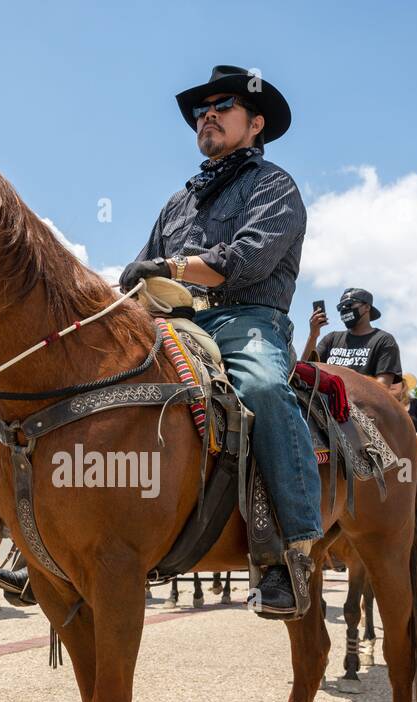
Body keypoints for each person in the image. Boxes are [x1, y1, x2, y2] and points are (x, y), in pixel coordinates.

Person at [114, 64, 317, 616]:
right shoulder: (176, 204)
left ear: (255, 124)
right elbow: (143, 269)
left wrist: (172, 267)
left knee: (266, 388)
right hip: (169, 321)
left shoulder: (274, 185)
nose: (206, 115)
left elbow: (248, 259)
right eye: (201, 110)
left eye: (221, 106)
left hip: (246, 319)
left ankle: (289, 552)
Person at [303, 288, 402, 387]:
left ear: (367, 307)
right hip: (325, 401)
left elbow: (382, 388)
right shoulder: (331, 339)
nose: (345, 309)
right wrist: (313, 335)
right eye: (341, 307)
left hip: (359, 402)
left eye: (349, 304)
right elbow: (303, 370)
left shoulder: (384, 340)